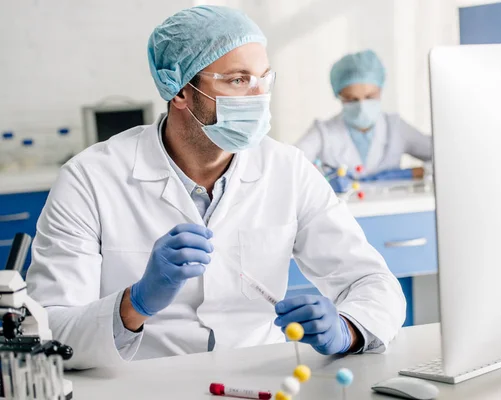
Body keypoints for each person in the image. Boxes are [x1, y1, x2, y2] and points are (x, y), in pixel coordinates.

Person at [25, 6, 405, 370]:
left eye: (264, 78)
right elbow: (47, 330)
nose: (259, 97)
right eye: (239, 80)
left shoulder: (287, 169)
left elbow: (373, 282)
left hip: (259, 378)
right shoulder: (89, 179)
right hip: (144, 382)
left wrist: (348, 329)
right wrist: (135, 303)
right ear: (179, 89)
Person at [295, 50, 432, 186]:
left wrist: (417, 172)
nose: (361, 106)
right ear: (339, 96)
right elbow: (290, 166)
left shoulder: (396, 127)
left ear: (380, 91)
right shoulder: (323, 132)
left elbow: (444, 156)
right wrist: (321, 180)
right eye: (351, 99)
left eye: (369, 97)